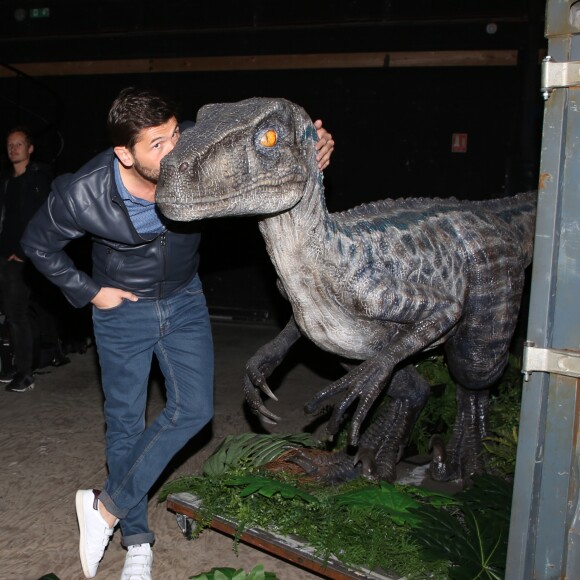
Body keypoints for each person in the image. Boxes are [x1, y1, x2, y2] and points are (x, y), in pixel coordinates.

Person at [21, 87, 334, 580]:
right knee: (126, 424)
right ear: (125, 152)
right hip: (124, 310)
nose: (174, 150)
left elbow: (258, 145)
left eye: (174, 135)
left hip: (185, 299)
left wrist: (307, 146)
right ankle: (138, 539)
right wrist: (89, 291)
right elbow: (37, 244)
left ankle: (105, 507)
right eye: (157, 145)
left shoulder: (192, 146)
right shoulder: (83, 192)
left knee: (195, 410)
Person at [0, 126, 53, 392]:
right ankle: (15, 367)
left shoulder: (38, 178)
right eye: (10, 145)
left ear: (29, 148)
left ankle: (25, 373)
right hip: (4, 256)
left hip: (23, 257)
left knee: (17, 314)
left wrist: (23, 252)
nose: (14, 149)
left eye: (18, 144)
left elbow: (41, 219)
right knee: (10, 314)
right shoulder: (7, 181)